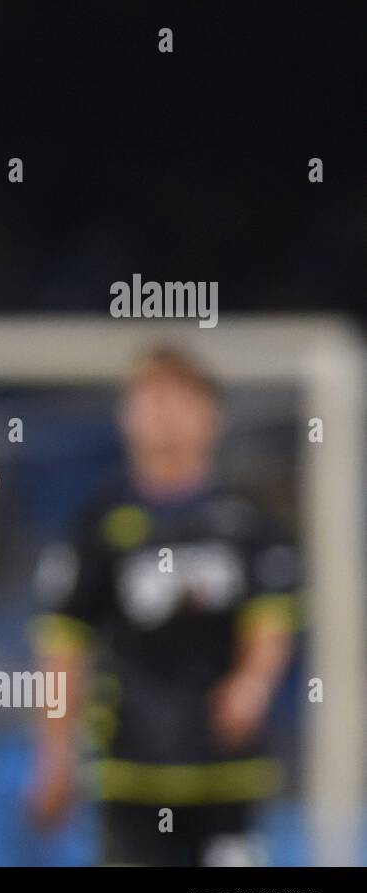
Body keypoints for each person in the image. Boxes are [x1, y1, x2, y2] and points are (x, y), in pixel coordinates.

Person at [26, 344, 300, 865]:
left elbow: (271, 618)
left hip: (227, 773)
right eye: (149, 399)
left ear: (212, 416)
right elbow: (64, 645)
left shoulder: (248, 522)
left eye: (179, 399)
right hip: (131, 772)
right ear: (125, 415)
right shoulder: (98, 524)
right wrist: (55, 758)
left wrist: (252, 684)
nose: (163, 414)